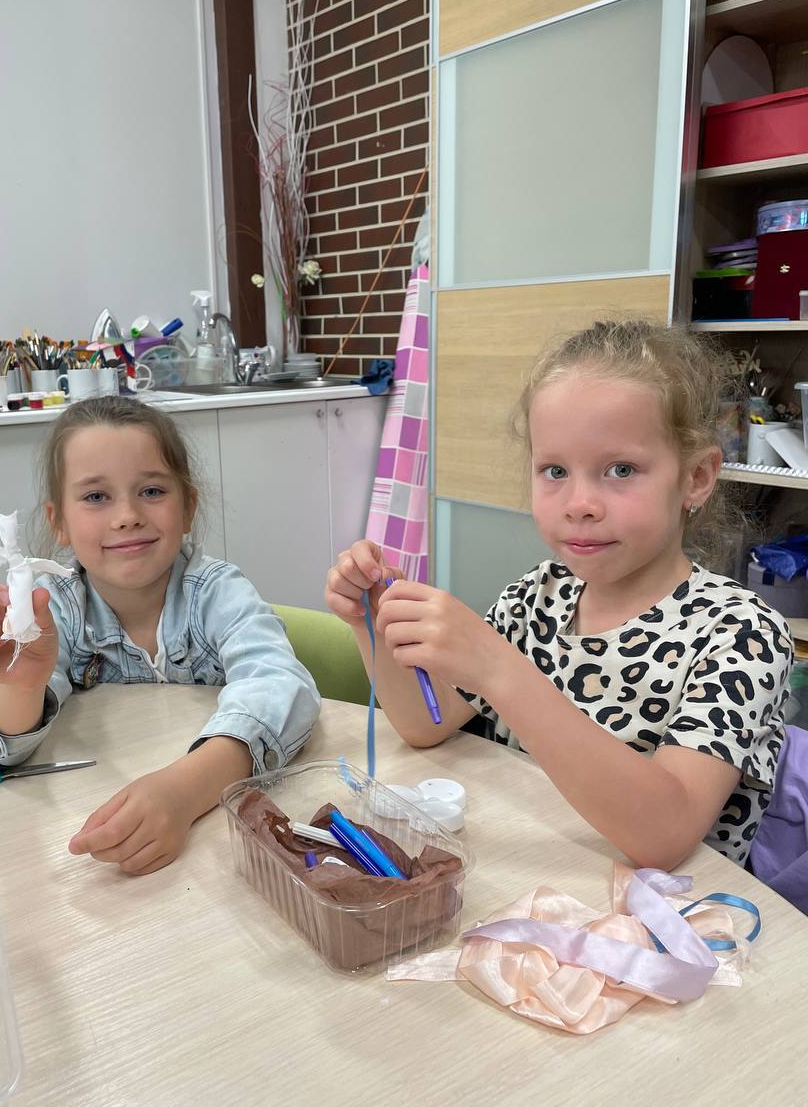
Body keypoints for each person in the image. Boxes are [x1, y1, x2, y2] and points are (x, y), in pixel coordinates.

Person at [326, 320, 793, 870]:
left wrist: (499, 670)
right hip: (536, 876)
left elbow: (665, 834)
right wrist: (372, 621)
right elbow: (425, 725)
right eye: (554, 470)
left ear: (695, 477)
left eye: (621, 470)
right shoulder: (537, 596)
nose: (579, 504)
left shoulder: (742, 634)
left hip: (669, 912)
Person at [0, 395, 319, 875]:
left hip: (220, 839)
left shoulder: (218, 593)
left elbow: (282, 687)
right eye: (96, 497)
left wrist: (185, 790)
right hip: (83, 818)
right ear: (59, 522)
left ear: (188, 507)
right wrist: (21, 686)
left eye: (152, 491)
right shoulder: (52, 608)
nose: (126, 516)